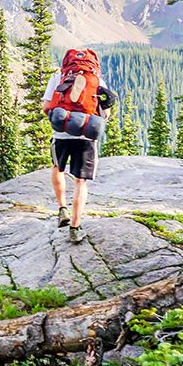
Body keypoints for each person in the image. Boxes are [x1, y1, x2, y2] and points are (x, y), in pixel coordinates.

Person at [42, 50, 117, 244]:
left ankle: (62, 209)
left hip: (61, 133)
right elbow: (105, 114)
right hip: (86, 135)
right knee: (80, 181)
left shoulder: (58, 76)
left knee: (57, 168)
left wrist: (60, 118)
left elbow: (45, 107)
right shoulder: (97, 80)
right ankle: (75, 228)